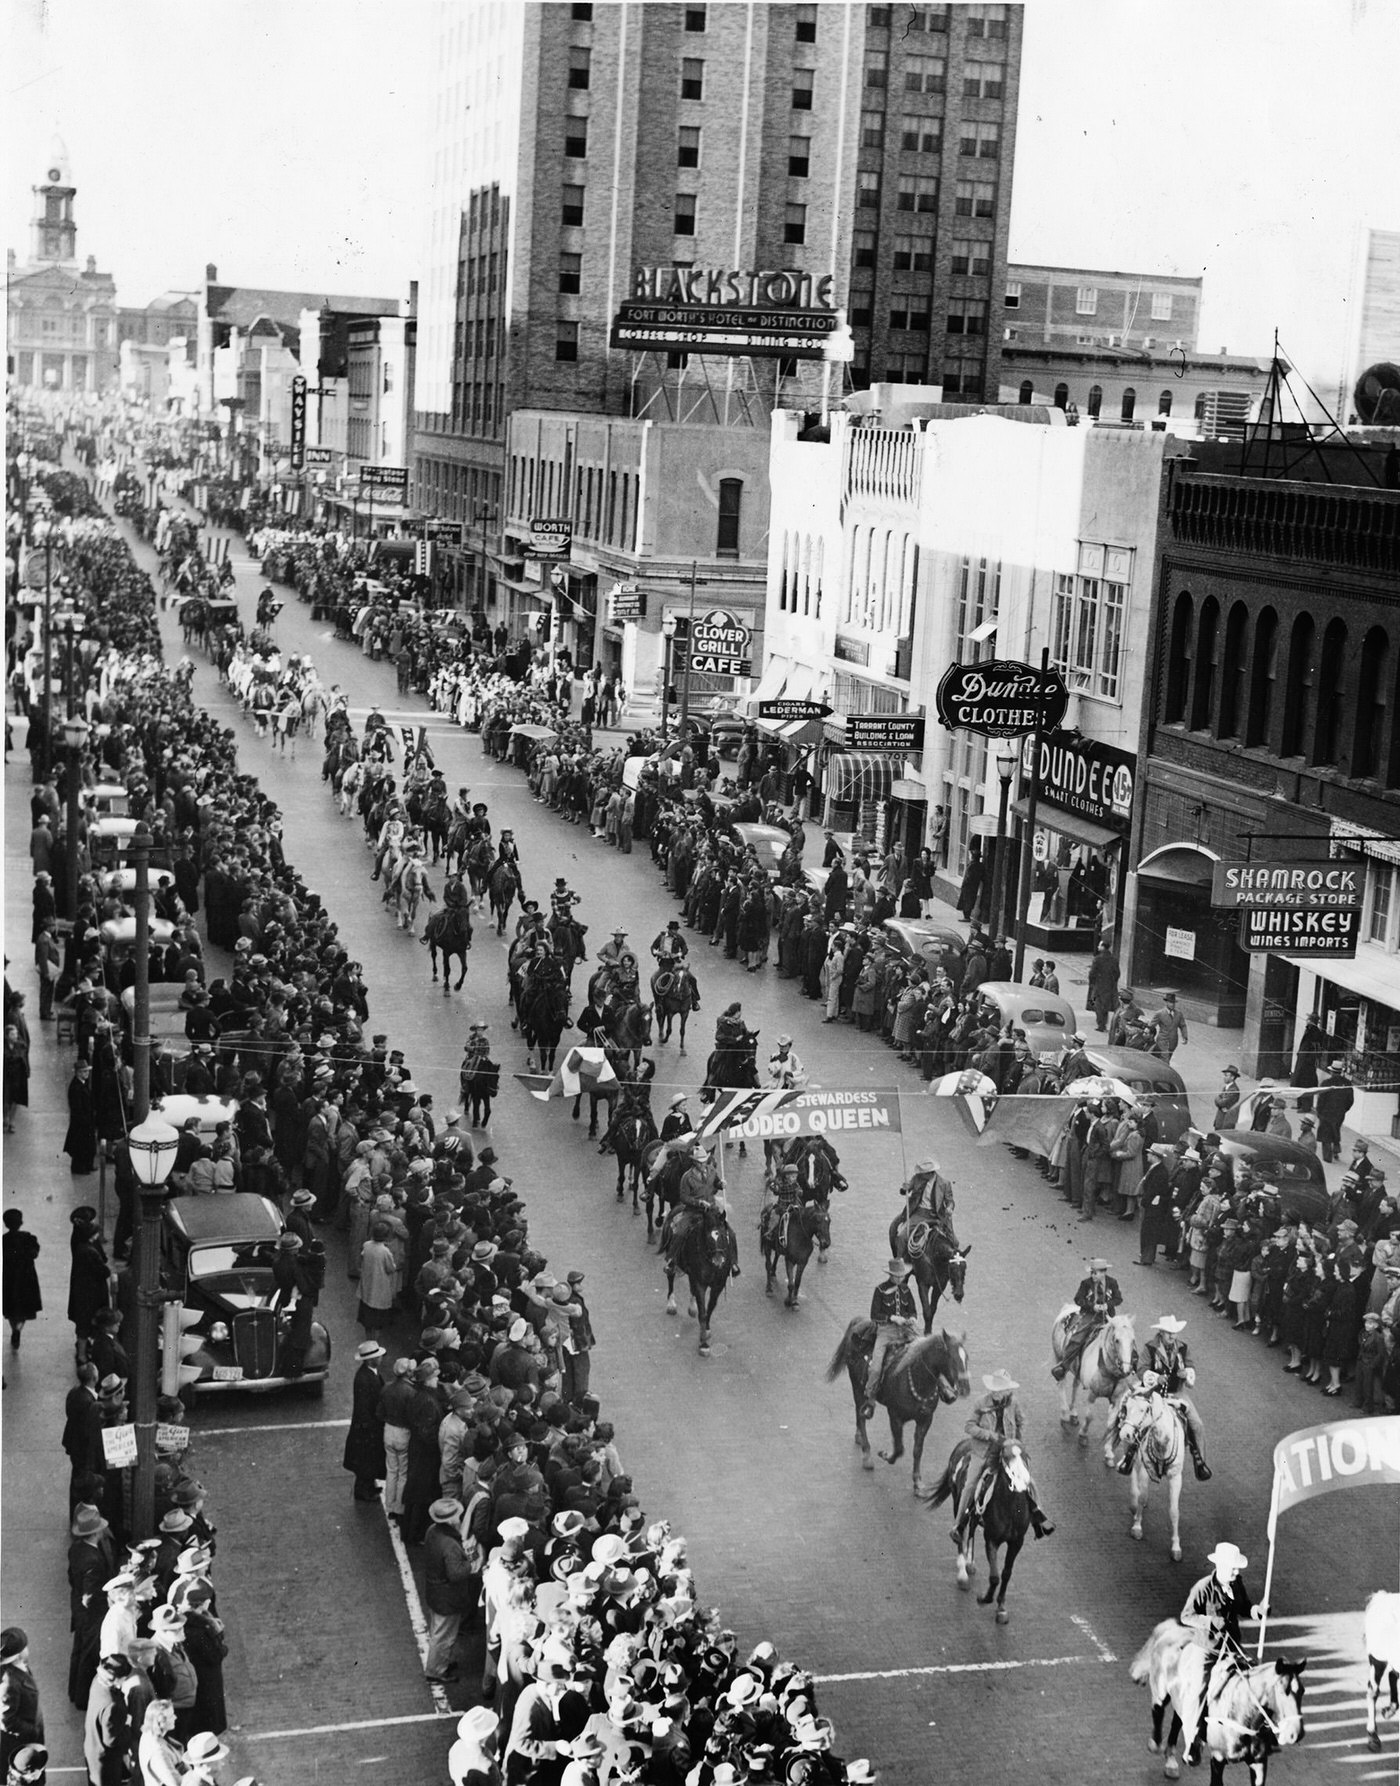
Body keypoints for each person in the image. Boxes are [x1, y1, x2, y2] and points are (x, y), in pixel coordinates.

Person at [1178, 1542, 1267, 1766]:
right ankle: (1192, 1740)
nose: (1237, 1572)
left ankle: (1259, 1727)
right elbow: (1186, 1616)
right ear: (1221, 1566)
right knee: (1199, 1690)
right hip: (1207, 1650)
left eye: (1238, 1569)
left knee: (1254, 1675)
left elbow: (1244, 1606)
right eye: (1233, 1568)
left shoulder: (1236, 1584)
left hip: (1231, 1646)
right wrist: (1209, 1621)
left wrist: (1257, 1611)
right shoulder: (1203, 1588)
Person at [948, 1371, 1055, 1548]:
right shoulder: (980, 1403)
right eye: (995, 1389)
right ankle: (959, 1525)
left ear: (1007, 1390)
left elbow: (1021, 1421)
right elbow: (969, 1426)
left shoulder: (1013, 1402)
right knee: (971, 1484)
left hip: (1007, 1450)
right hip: (984, 1451)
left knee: (1027, 1480)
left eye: (1001, 1389)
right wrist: (989, 1435)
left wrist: (1017, 1443)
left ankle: (1038, 1518)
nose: (997, 1393)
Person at [1120, 1316, 1212, 1480]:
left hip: (1177, 1393)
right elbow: (1141, 1369)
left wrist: (1187, 1373)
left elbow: (1190, 1366)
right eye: (1169, 1333)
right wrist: (1156, 1378)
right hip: (1154, 1393)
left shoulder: (1183, 1348)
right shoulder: (1150, 1348)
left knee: (1197, 1424)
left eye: (1175, 1333)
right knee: (1134, 1419)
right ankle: (1128, 1456)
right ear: (1161, 1333)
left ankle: (1200, 1461)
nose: (1172, 1336)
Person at [423, 1498, 477, 1684]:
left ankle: (441, 1662)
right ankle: (436, 1670)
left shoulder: (432, 1532)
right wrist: (470, 1565)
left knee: (439, 1631)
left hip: (436, 1592)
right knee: (444, 1635)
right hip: (448, 1597)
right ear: (451, 1520)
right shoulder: (449, 1544)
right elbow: (456, 1573)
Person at [1051, 1260, 1123, 1381]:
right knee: (1077, 1337)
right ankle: (1064, 1365)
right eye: (1092, 1273)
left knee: (1123, 1335)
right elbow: (1078, 1299)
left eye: (1096, 1273)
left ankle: (1130, 1364)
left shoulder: (1112, 1283)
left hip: (1108, 1317)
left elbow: (1118, 1299)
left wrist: (1108, 1305)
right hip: (1090, 1316)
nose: (1093, 1276)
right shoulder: (1086, 1284)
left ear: (1103, 1273)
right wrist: (1091, 1306)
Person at [864, 1260, 917, 1413]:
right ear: (890, 1275)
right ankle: (870, 1395)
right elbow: (874, 1315)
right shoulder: (880, 1290)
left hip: (906, 1330)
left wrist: (912, 1318)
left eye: (902, 1276)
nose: (900, 1279)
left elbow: (912, 1310)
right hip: (886, 1331)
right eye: (897, 1276)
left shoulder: (906, 1290)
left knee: (924, 1349)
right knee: (875, 1367)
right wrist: (892, 1318)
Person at [343, 1340, 387, 1502]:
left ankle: (368, 1486)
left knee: (368, 1460)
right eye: (378, 1356)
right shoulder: (364, 1378)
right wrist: (370, 1426)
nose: (381, 1358)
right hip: (367, 1427)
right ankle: (362, 1491)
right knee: (365, 1461)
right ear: (370, 1360)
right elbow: (363, 1407)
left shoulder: (370, 1373)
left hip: (369, 1425)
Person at [0, 1629, 44, 1779]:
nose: (27, 1649)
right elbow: (6, 1720)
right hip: (21, 1743)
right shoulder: (9, 1683)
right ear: (18, 1654)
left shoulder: (20, 1668)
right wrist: (32, 1731)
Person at [2, 1211, 42, 1348]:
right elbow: (34, 1253)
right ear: (21, 1223)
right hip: (26, 1279)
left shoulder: (3, 1240)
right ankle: (18, 1329)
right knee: (24, 1309)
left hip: (9, 1280)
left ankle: (14, 1329)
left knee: (10, 1310)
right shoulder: (28, 1238)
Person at [1148, 991, 1188, 1063]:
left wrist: (1185, 1036)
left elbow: (1183, 1025)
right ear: (1166, 1002)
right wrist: (1148, 1034)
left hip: (1173, 1042)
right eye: (1170, 1002)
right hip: (1162, 1041)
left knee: (1167, 1058)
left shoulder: (1178, 1014)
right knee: (1165, 1060)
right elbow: (1151, 1025)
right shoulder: (1159, 1013)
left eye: (1173, 1003)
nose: (1172, 1004)